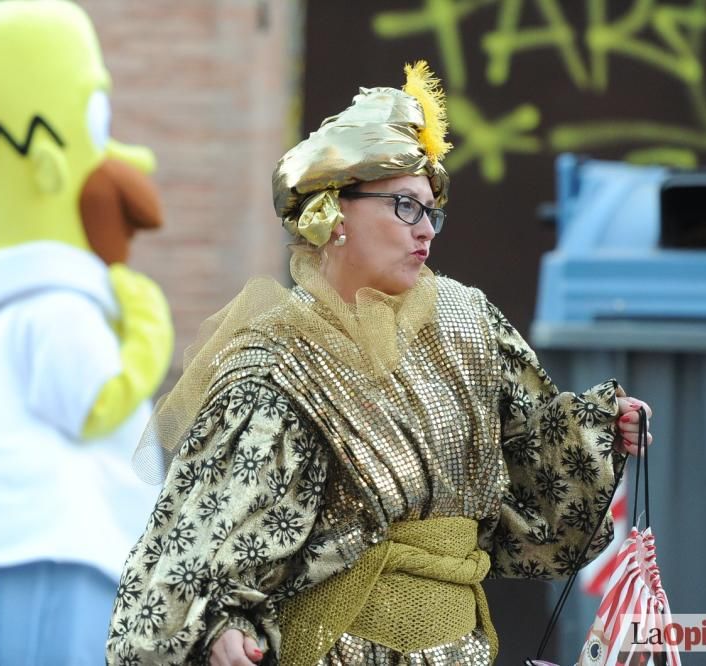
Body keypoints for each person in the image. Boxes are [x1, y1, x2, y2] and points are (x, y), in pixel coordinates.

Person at [106, 61, 652, 666]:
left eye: (432, 211)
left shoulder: (470, 324)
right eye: (405, 207)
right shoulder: (276, 364)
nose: (427, 232)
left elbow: (526, 468)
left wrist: (597, 431)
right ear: (333, 213)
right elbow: (205, 543)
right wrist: (222, 630)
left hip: (462, 648)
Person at [0, 2, 174, 664]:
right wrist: (147, 337)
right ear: (48, 162)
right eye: (95, 123)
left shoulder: (8, 313)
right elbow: (92, 403)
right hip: (37, 566)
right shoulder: (55, 308)